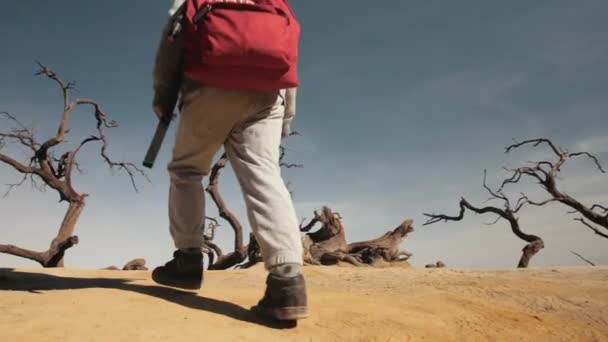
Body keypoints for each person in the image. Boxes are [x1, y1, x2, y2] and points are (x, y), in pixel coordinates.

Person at [149, 0, 307, 321]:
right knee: (264, 175)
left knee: (187, 170)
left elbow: (172, 41)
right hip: (269, 93)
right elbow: (287, 52)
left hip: (209, 85)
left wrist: (163, 97)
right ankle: (286, 279)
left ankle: (188, 262)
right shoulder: (273, 1)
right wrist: (287, 116)